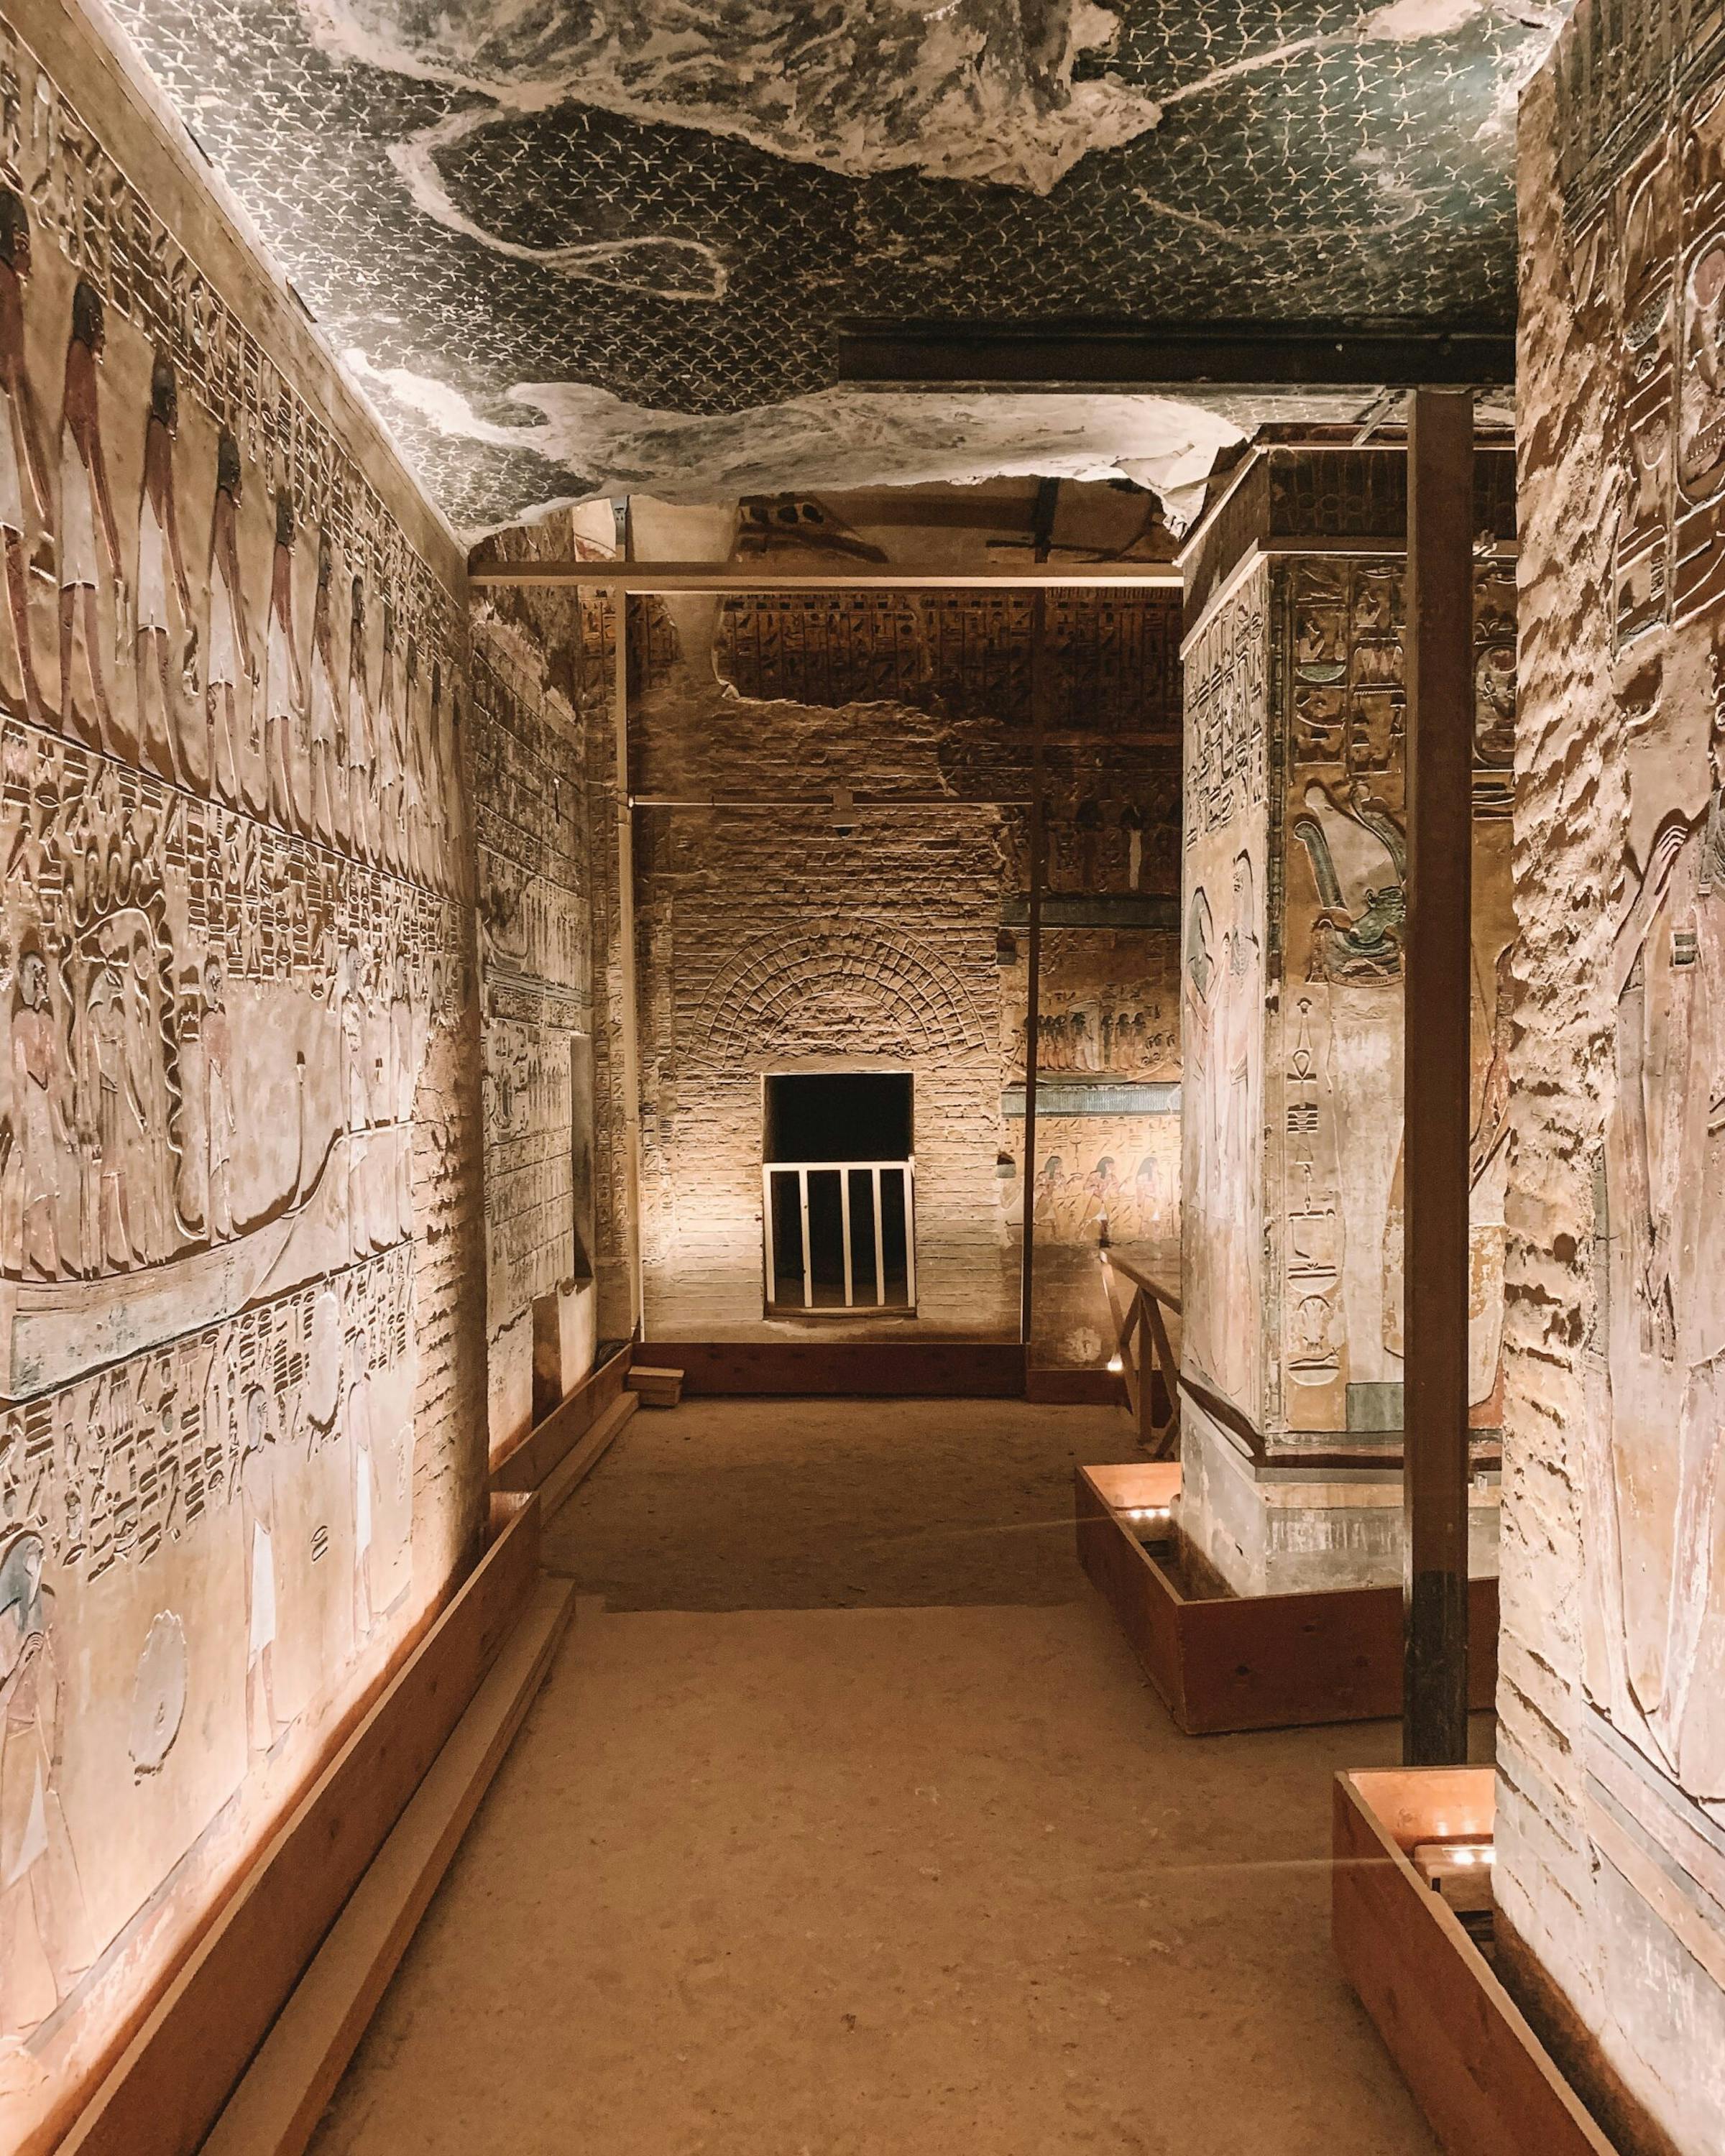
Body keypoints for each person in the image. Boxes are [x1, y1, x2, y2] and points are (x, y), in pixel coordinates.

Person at [0, 1529, 90, 2042]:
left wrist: (58, 1755)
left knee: (46, 1868)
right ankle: (10, 2009)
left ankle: (63, 1980)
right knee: (15, 1878)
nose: (37, 1567)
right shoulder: (5, 1627)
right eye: (29, 1559)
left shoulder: (47, 1609)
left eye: (42, 1558)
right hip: (12, 1754)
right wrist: (17, 1670)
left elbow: (67, 1682)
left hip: (32, 1749)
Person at [58, 282, 125, 752]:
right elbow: (90, 443)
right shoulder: (79, 359)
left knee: (83, 587)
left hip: (75, 473)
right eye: (102, 329)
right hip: (76, 473)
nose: (105, 343)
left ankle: (90, 706)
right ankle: (76, 705)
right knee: (78, 586)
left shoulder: (80, 361)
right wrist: (110, 529)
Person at [0, 193, 50, 724]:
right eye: (22, 243)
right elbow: (14, 371)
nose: (28, 257)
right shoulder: (7, 286)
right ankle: (26, 678)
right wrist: (39, 483)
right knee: (12, 539)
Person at [135, 356, 196, 785]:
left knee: (156, 651)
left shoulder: (161, 438)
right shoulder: (158, 436)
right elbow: (165, 513)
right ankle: (148, 743)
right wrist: (180, 584)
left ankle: (157, 745)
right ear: (169, 405)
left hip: (152, 545)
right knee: (152, 648)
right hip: (151, 545)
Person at [205, 433, 253, 805]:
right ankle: (216, 769)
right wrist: (242, 637)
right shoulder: (223, 505)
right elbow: (227, 559)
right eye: (240, 481)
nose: (241, 490)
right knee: (220, 687)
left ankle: (231, 773)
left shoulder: (227, 508)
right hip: (221, 600)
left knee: (226, 689)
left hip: (223, 599)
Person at [263, 494, 305, 830]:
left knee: (280, 720)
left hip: (277, 638)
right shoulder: (281, 557)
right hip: (278, 639)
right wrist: (294, 668)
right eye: (291, 526)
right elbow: (284, 611)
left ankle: (284, 795)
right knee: (277, 717)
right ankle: (277, 794)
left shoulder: (284, 557)